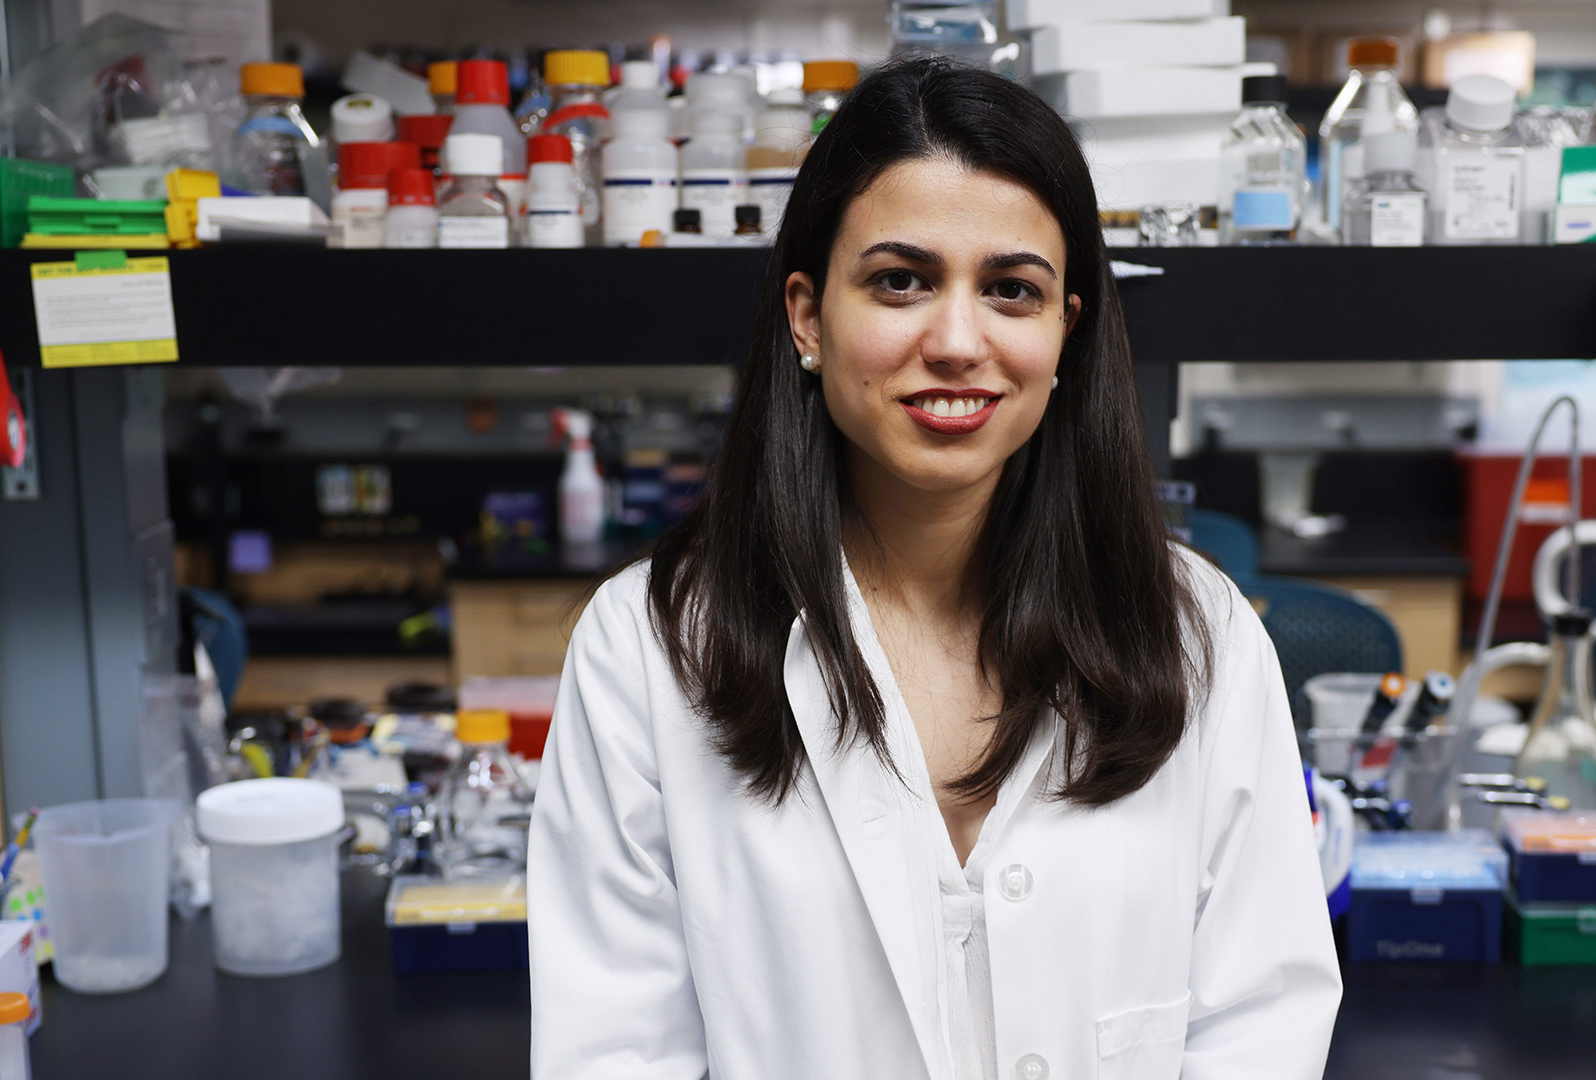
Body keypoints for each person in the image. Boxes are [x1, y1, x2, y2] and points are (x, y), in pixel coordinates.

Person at [529, 57, 1341, 1080]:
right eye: (900, 281)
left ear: (1064, 330)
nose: (959, 342)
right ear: (808, 317)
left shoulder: (1202, 636)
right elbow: (616, 1054)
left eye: (1011, 290)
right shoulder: (649, 648)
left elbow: (1259, 1025)